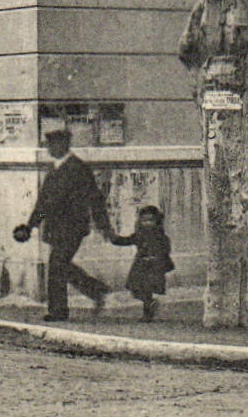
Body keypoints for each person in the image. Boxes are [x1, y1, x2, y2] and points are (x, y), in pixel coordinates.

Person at [25, 127, 114, 322]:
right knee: (60, 265)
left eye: (53, 144)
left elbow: (95, 198)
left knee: (57, 264)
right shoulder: (55, 169)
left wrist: (104, 225)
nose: (50, 148)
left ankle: (59, 310)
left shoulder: (78, 168)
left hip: (72, 226)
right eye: (49, 144)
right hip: (57, 227)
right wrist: (31, 224)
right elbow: (44, 201)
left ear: (64, 145)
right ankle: (95, 290)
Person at [111, 205, 175, 321]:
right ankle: (150, 305)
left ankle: (147, 314)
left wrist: (157, 258)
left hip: (154, 267)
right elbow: (126, 241)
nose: (147, 223)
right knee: (135, 288)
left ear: (157, 221)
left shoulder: (161, 237)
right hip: (140, 266)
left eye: (151, 220)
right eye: (144, 220)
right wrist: (113, 238)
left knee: (147, 290)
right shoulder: (139, 235)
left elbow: (165, 249)